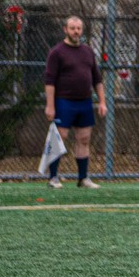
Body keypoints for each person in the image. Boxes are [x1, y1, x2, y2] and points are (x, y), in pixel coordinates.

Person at [42, 14, 106, 188]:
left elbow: (97, 79)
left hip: (84, 102)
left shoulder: (88, 51)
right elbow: (49, 81)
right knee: (60, 136)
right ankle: (53, 178)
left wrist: (102, 102)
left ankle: (83, 178)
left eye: (78, 28)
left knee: (84, 138)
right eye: (72, 28)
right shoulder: (57, 52)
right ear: (65, 30)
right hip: (64, 101)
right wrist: (50, 105)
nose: (76, 32)